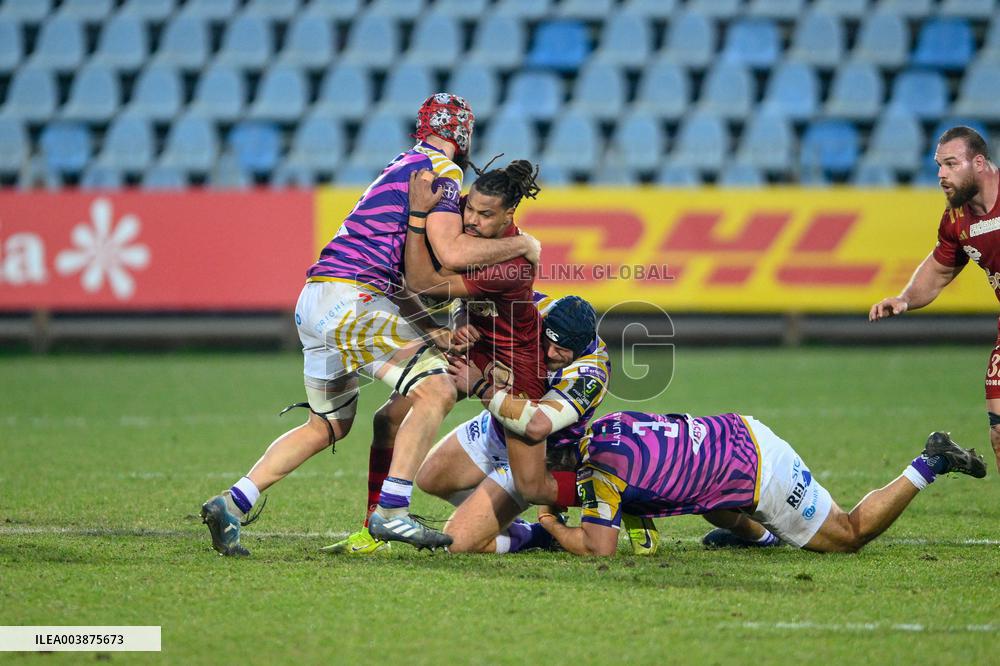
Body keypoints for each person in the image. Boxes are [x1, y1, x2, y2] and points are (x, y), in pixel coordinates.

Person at [199, 93, 540, 555]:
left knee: (328, 425)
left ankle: (233, 502)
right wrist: (527, 247)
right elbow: (449, 259)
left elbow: (401, 277)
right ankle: (392, 512)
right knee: (436, 390)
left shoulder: (401, 165)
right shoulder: (442, 173)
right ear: (464, 135)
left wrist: (428, 329)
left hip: (316, 299)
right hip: (354, 301)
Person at [536, 410, 985, 556]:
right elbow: (654, 469)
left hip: (762, 472)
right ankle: (759, 537)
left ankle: (930, 462)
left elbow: (599, 548)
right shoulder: (609, 423)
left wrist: (549, 520)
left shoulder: (600, 474)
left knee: (848, 535)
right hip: (738, 433)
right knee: (704, 498)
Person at [870, 126, 1000, 473]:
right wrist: (905, 299)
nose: (942, 174)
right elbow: (939, 270)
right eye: (939, 165)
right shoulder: (956, 220)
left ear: (979, 163)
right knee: (999, 430)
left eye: (951, 164)